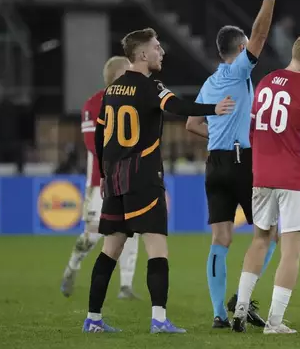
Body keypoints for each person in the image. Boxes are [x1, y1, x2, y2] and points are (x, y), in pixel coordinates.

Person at [82, 28, 234, 333]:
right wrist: (212, 109)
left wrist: (105, 171)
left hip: (115, 181)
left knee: (110, 250)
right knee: (157, 248)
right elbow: (177, 106)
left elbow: (100, 136)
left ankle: (93, 319)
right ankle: (159, 319)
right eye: (156, 47)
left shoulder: (111, 91)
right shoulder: (150, 87)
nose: (161, 52)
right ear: (141, 55)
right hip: (143, 179)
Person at [184, 0, 278, 329]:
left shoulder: (210, 83)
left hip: (215, 163)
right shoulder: (239, 73)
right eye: (248, 47)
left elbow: (192, 123)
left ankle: (218, 316)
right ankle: (241, 298)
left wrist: (217, 137)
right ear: (241, 50)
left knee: (220, 238)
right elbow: (261, 33)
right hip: (243, 163)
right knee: (268, 234)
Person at [230, 33, 300, 334]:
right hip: (293, 178)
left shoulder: (266, 82)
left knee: (260, 239)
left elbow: (252, 131)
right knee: (291, 250)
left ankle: (241, 307)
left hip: (262, 176)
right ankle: (275, 323)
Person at [61, 56, 141, 300]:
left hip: (129, 179)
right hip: (100, 182)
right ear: (118, 76)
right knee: (93, 233)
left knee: (132, 230)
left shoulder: (135, 103)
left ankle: (126, 285)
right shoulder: (93, 104)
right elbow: (92, 145)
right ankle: (73, 266)